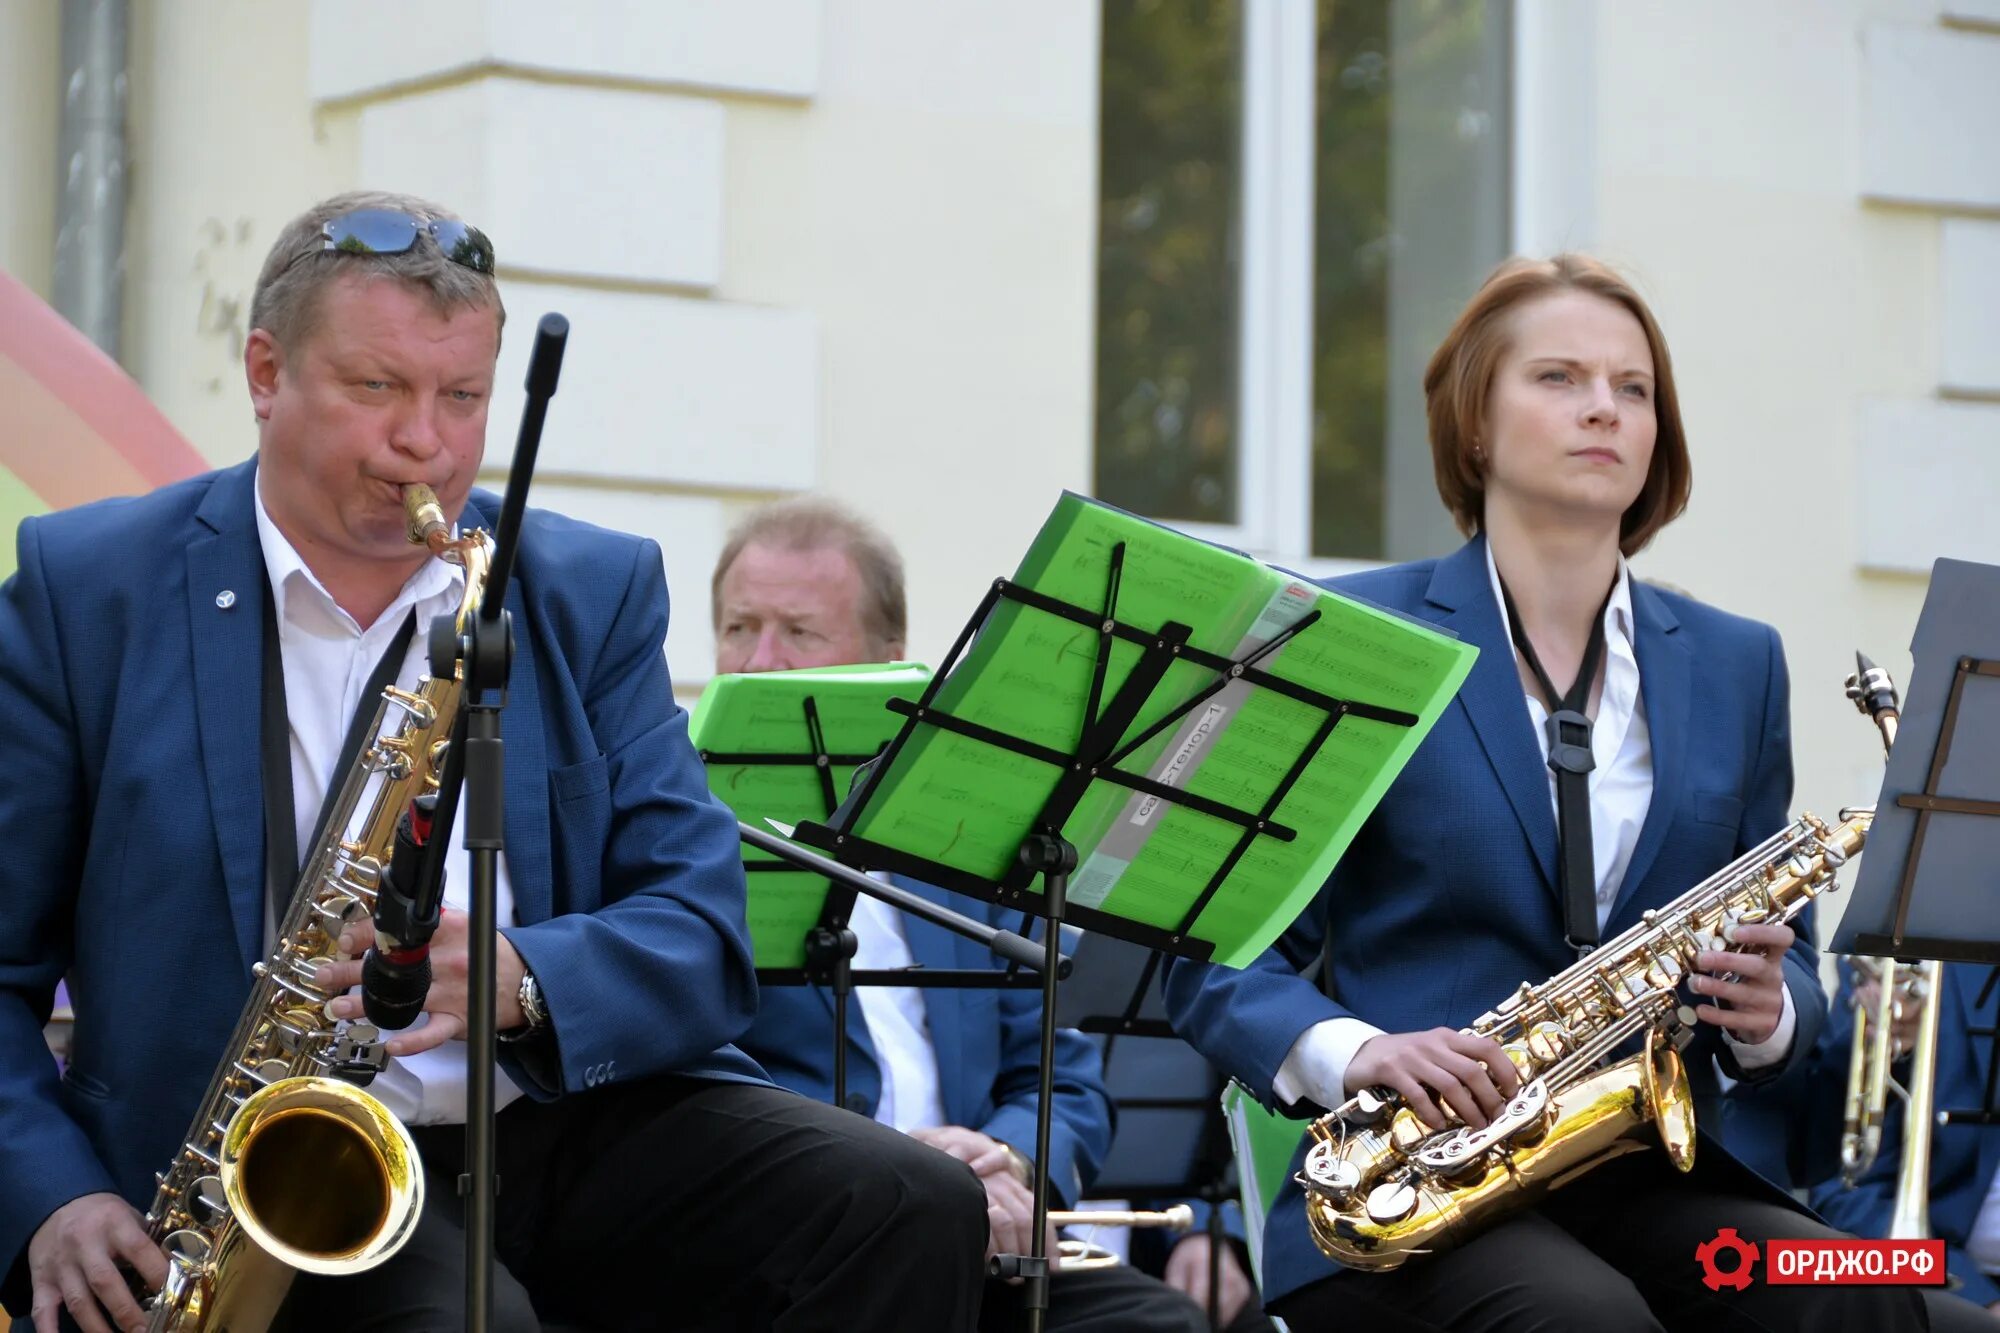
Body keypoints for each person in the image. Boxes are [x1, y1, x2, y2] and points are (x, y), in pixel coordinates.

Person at [0, 191, 989, 1333]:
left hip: (563, 1125)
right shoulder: (91, 588)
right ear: (265, 373)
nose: (426, 440)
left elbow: (704, 931)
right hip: (266, 1175)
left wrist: (519, 976)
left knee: (906, 1200)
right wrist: (48, 1197)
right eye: (377, 388)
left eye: (463, 396)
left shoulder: (586, 587)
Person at [1161, 254, 1924, 1330]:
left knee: (1871, 1293)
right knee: (1583, 1322)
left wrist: (1768, 1017)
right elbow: (1215, 956)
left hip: (1656, 1171)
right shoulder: (1341, 636)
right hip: (1415, 1183)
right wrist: (1363, 1053)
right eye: (1558, 378)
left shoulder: (1736, 661)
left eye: (1633, 387)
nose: (1602, 409)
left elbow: (1790, 965)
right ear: (1473, 422)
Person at [710, 498, 1249, 1331]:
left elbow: (1062, 1080)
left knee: (1166, 1325)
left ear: (892, 660)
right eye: (739, 628)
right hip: (802, 1242)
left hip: (980, 1239)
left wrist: (1010, 1161)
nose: (758, 663)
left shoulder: (960, 848)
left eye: (801, 633)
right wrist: (898, 1175)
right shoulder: (683, 849)